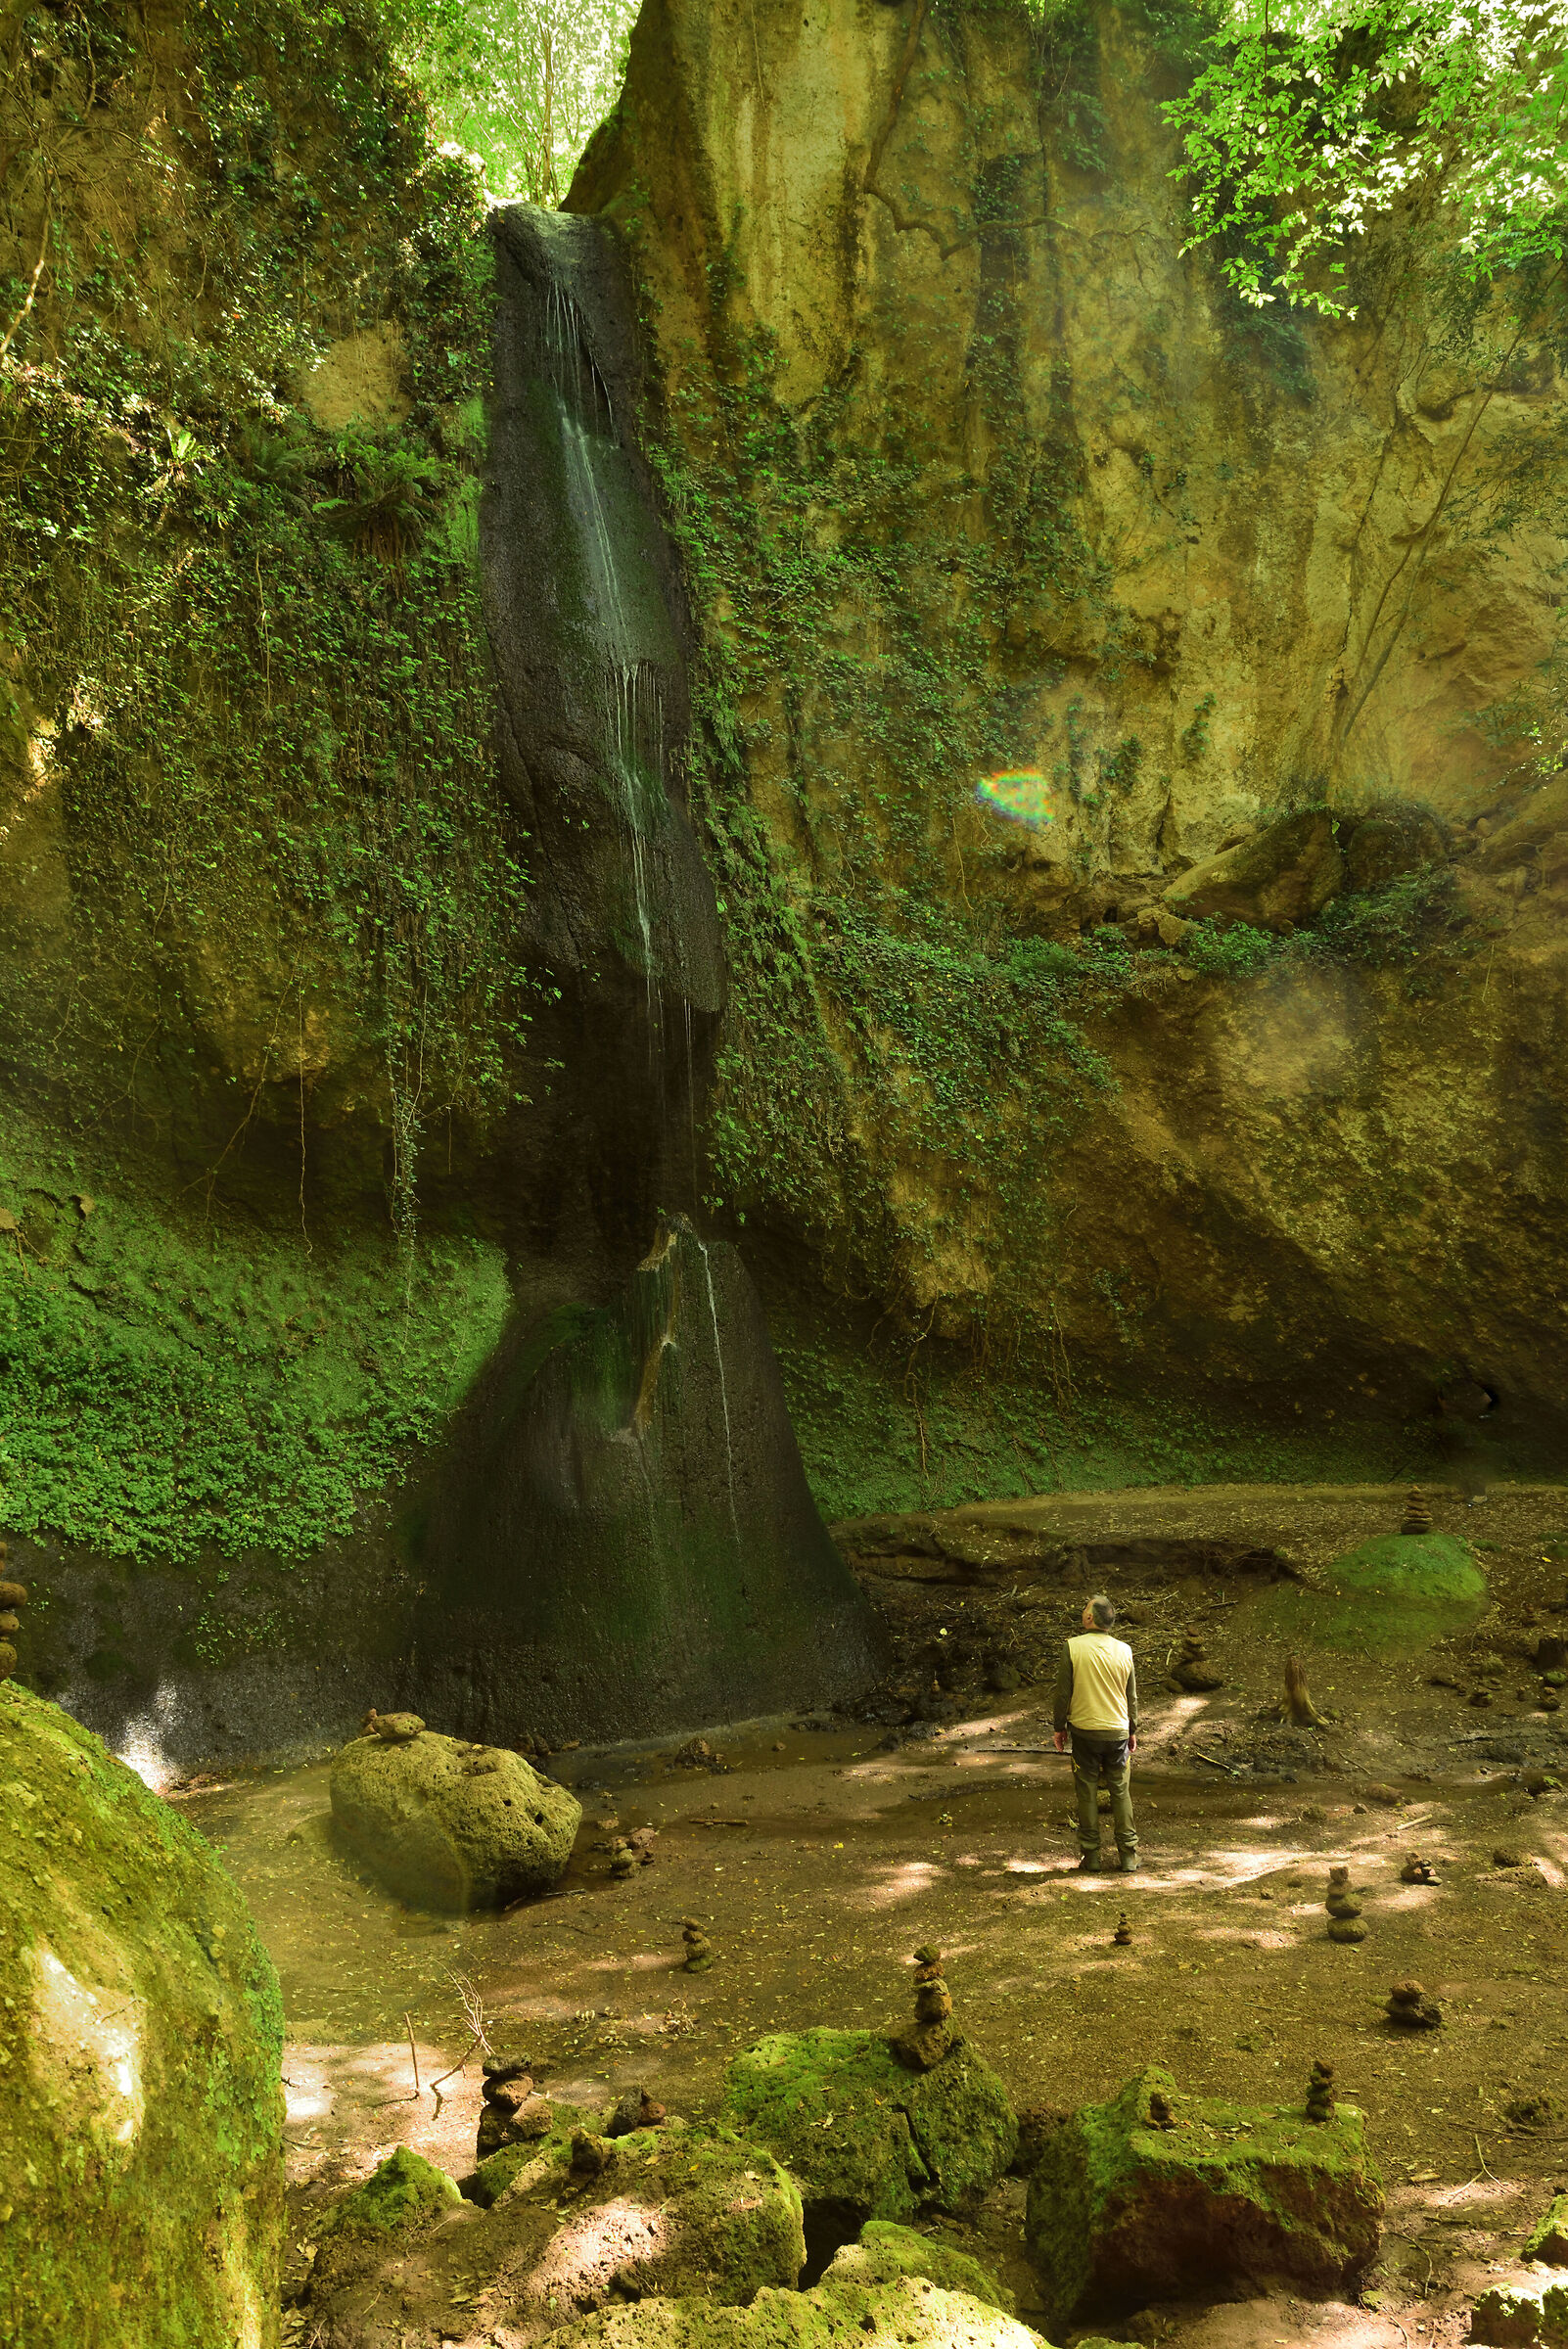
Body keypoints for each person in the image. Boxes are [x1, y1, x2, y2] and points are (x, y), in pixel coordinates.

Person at [1052, 1593, 1139, 1872]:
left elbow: (1063, 1692)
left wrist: (1058, 1727)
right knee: (1120, 1791)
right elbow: (1131, 1696)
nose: (1082, 1612)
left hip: (1085, 1733)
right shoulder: (1125, 1650)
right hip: (1117, 1732)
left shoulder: (1072, 1647)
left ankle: (1091, 1857)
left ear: (1090, 1618)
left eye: (1085, 1609)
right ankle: (1128, 1855)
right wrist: (1132, 1729)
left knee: (1087, 1791)